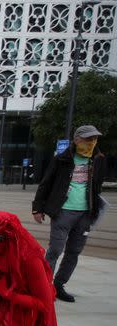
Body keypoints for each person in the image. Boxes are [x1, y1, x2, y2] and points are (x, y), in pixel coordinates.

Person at [32, 125, 107, 303]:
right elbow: (46, 183)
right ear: (76, 140)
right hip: (62, 211)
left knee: (74, 251)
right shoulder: (62, 159)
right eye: (88, 139)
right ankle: (44, 286)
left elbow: (98, 185)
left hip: (86, 213)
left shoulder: (98, 159)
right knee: (55, 249)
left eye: (94, 139)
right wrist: (37, 207)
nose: (91, 143)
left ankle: (59, 285)